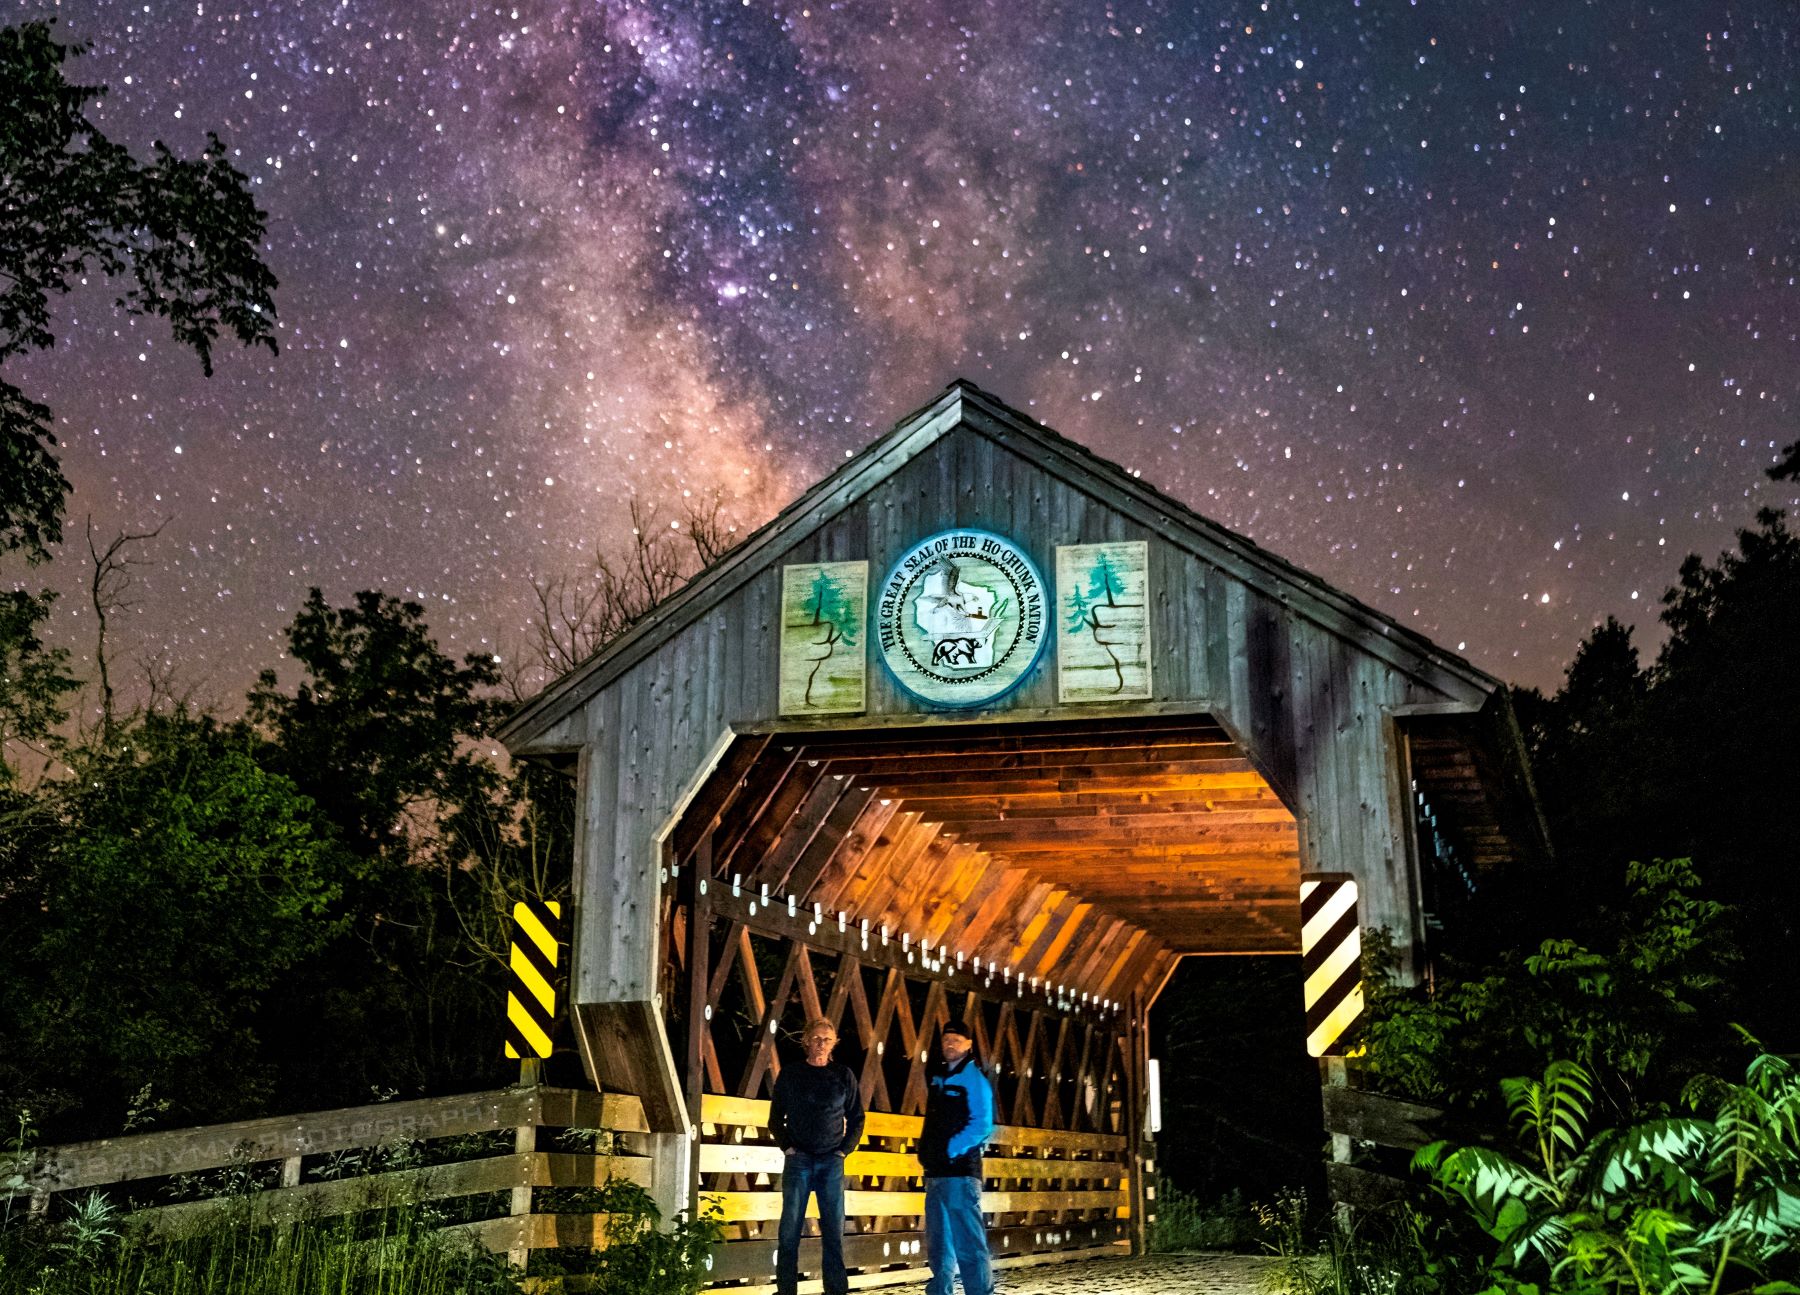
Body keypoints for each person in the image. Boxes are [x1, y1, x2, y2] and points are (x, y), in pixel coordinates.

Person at [770, 1018, 864, 1295]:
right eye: (816, 1038)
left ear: (834, 1044)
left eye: (827, 1039)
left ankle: (835, 1290)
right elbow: (775, 1119)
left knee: (833, 1230)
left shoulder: (843, 1075)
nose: (821, 1044)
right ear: (806, 1040)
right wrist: (787, 1147)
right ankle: (786, 1290)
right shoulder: (791, 1074)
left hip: (830, 1160)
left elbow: (857, 1117)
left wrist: (844, 1150)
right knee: (790, 1230)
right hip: (799, 1158)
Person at [918, 1019, 995, 1295]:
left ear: (969, 1044)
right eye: (946, 1039)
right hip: (936, 1173)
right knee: (939, 1243)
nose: (950, 1044)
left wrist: (949, 1149)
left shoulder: (974, 1080)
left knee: (969, 1243)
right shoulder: (940, 1077)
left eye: (956, 1039)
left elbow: (982, 1124)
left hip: (960, 1173)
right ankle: (940, 1290)